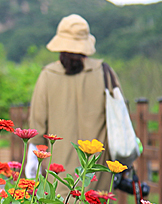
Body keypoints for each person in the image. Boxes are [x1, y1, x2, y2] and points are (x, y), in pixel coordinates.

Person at [25, 14, 121, 194]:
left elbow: (36, 127)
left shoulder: (47, 75)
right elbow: (119, 118)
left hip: (59, 172)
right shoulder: (104, 73)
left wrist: (32, 161)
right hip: (97, 170)